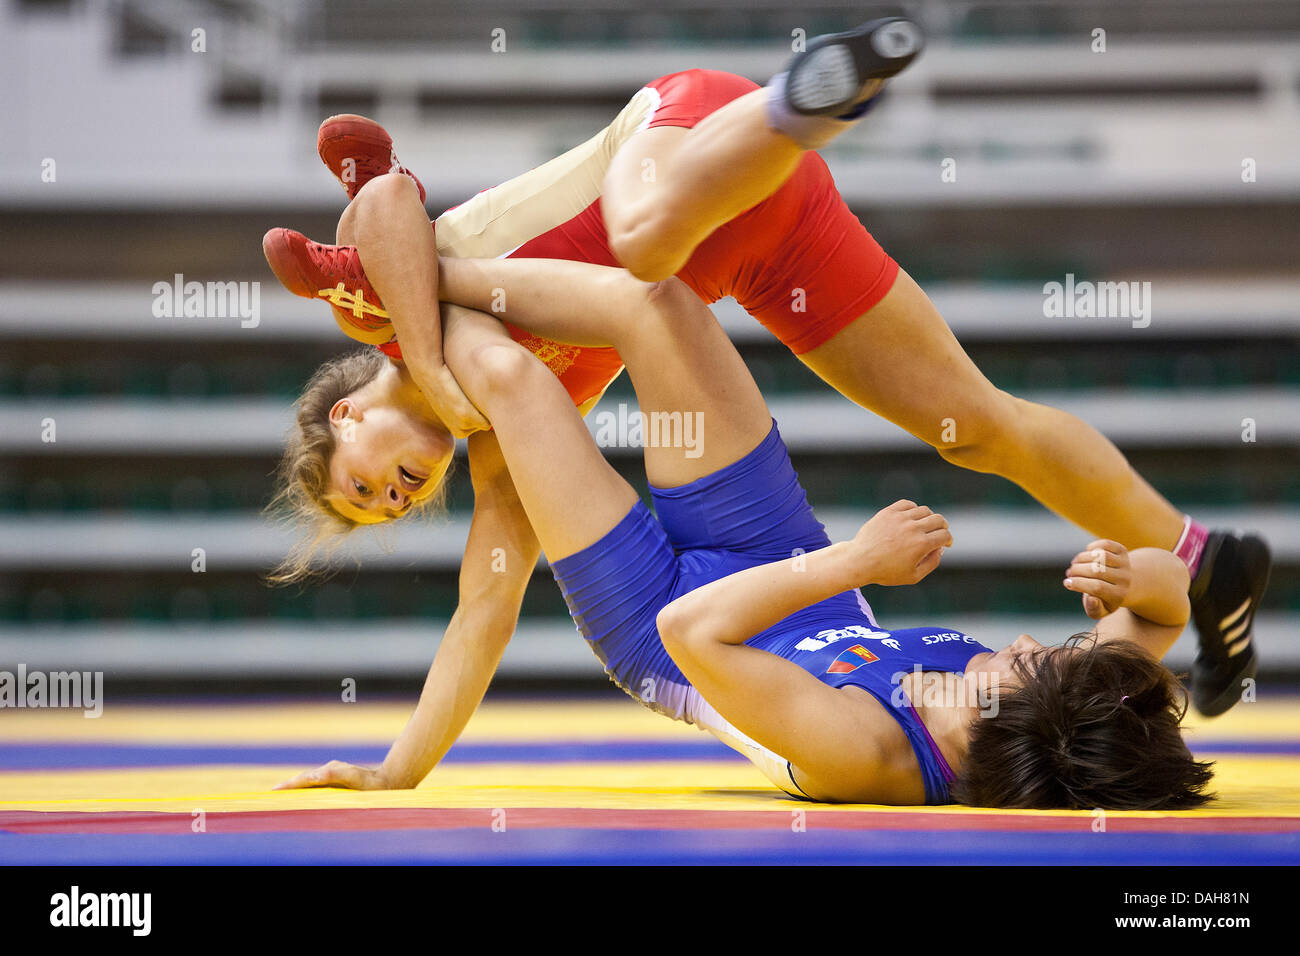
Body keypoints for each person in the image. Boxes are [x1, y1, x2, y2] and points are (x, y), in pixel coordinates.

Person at [263, 16, 1269, 717]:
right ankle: (1197, 554)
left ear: (347, 412)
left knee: (645, 249)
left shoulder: (392, 311)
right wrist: (399, 768)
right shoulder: (493, 437)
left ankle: (807, 98)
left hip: (686, 146)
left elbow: (379, 186)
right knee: (974, 426)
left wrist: (426, 357)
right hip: (760, 234)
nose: (396, 494)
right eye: (392, 510)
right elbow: (483, 609)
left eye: (366, 485)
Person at [276, 252, 1213, 809]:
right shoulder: (1041, 707)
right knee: (661, 306)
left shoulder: (873, 753)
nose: (1023, 643)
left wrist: (856, 560)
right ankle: (413, 285)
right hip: (779, 560)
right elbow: (1168, 614)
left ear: (1013, 726)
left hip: (664, 626)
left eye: (1027, 662)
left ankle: (393, 288)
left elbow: (698, 633)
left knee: (517, 388)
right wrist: (1136, 580)